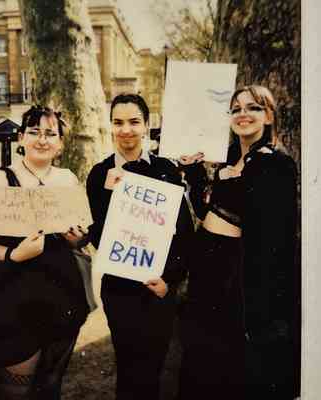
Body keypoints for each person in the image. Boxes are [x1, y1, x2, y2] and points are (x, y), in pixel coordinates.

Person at [0, 106, 92, 400]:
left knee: (49, 391)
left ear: (60, 142)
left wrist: (77, 238)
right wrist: (12, 255)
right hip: (10, 304)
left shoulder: (68, 180)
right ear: (21, 137)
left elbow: (81, 239)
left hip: (62, 299)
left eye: (50, 134)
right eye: (34, 132)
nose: (42, 140)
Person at [177, 85, 299, 399]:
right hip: (208, 261)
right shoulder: (230, 156)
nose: (243, 114)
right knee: (200, 354)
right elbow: (208, 211)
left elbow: (267, 228)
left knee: (230, 358)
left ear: (269, 115)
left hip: (236, 269)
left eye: (253, 108)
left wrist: (235, 179)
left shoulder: (276, 163)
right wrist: (194, 172)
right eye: (236, 109)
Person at [86, 93, 194, 400]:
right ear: (111, 126)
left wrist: (169, 281)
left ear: (146, 125)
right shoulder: (99, 174)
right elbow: (98, 235)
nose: (126, 130)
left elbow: (182, 231)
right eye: (118, 122)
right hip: (120, 289)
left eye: (134, 122)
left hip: (158, 287)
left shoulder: (166, 170)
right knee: (130, 370)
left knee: (154, 369)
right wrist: (109, 194)